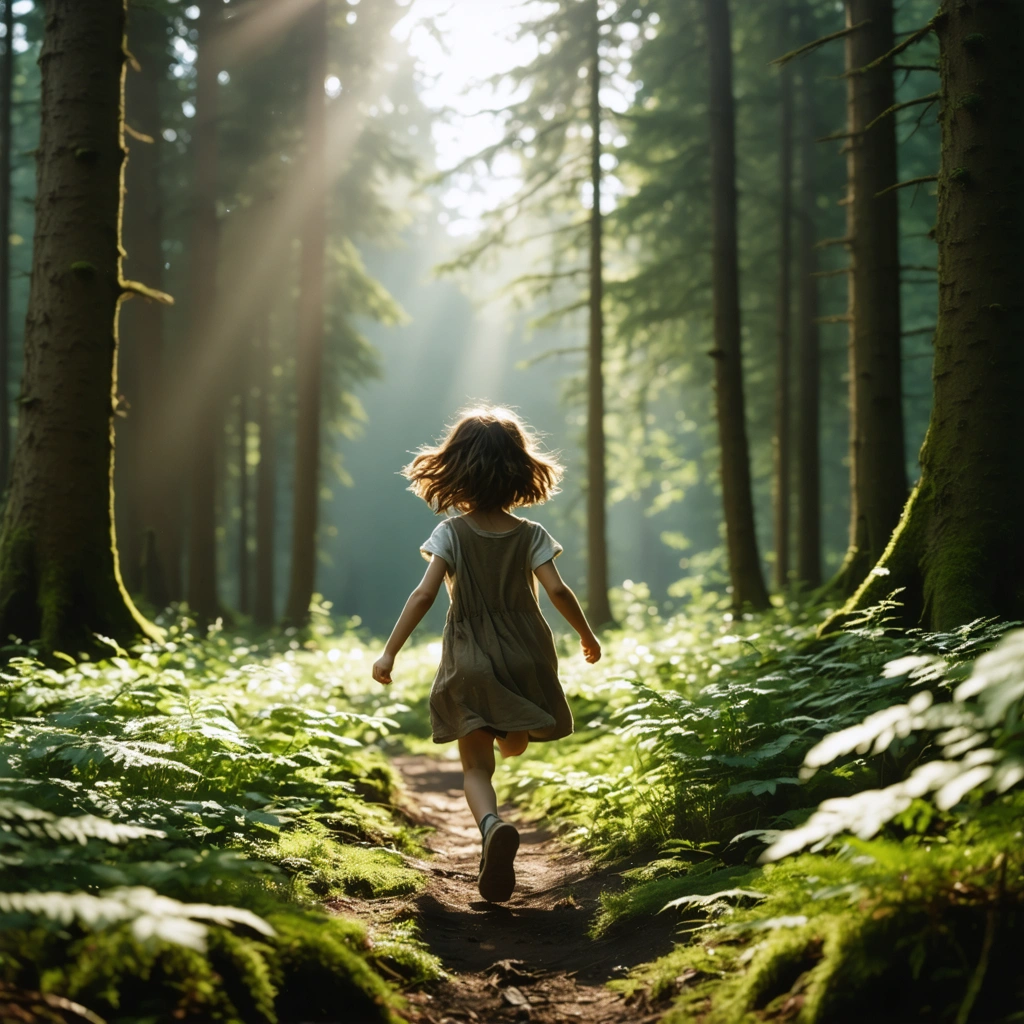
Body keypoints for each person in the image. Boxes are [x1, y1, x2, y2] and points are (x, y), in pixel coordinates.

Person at [372, 406, 602, 904]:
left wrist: (390, 652)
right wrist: (587, 634)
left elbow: (423, 596)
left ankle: (492, 825)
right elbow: (559, 592)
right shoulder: (532, 534)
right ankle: (508, 737)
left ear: (455, 469)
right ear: (520, 469)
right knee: (513, 741)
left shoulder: (451, 534)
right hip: (528, 654)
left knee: (476, 768)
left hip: (469, 658)